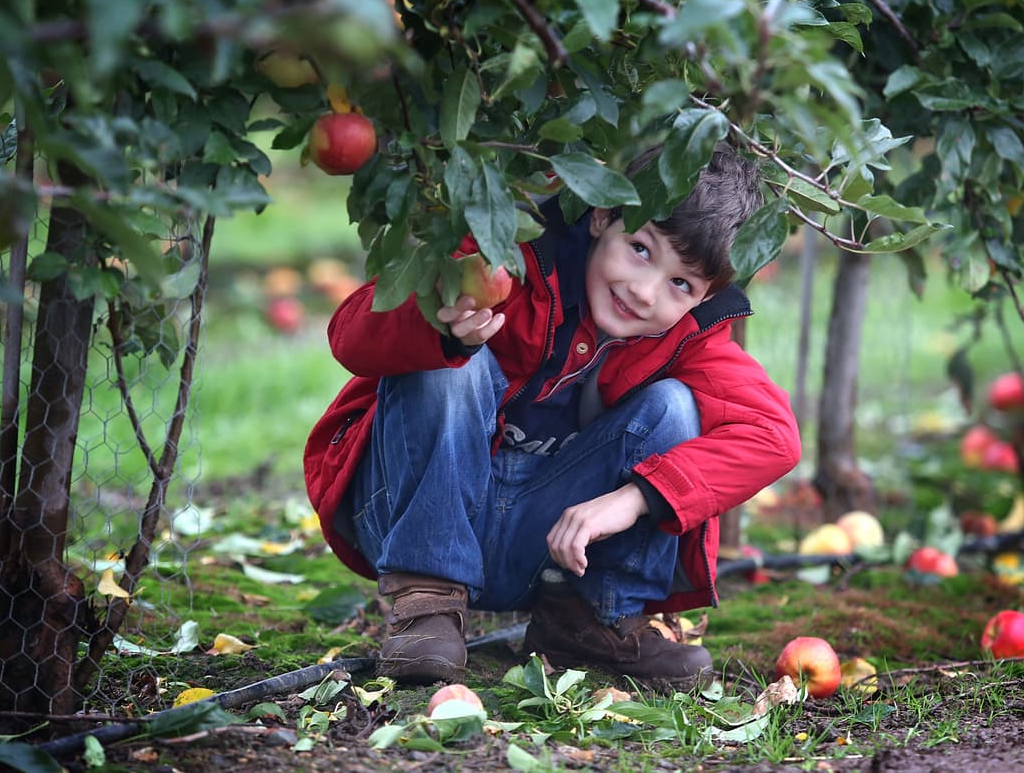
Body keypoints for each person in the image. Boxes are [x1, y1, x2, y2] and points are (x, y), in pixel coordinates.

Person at [303, 143, 801, 689]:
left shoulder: (688, 338)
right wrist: (439, 326)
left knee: (675, 408)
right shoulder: (508, 257)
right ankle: (426, 606)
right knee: (452, 362)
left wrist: (634, 497)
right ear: (603, 217)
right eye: (640, 249)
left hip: (545, 549)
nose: (644, 292)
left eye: (681, 284)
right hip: (411, 516)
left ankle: (590, 619)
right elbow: (348, 334)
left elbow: (775, 437)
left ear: (705, 297)